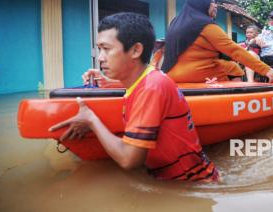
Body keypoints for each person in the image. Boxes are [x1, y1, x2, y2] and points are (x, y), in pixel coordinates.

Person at [49, 12, 219, 181]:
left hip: (191, 183)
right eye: (99, 49)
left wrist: (91, 120)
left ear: (136, 50)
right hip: (178, 178)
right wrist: (107, 82)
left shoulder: (151, 88)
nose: (100, 58)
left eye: (106, 49)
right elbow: (136, 87)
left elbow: (129, 159)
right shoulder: (150, 79)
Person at [161, 0, 273, 83]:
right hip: (194, 72)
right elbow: (234, 50)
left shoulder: (175, 22)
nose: (215, 5)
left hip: (169, 72)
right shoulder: (206, 25)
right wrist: (265, 69)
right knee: (234, 68)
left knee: (225, 64)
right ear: (201, 4)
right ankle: (236, 99)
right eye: (211, 2)